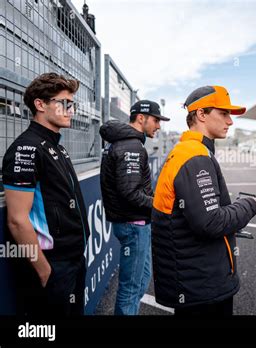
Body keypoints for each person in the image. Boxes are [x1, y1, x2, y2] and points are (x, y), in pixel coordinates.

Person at [151, 86, 256, 316]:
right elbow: (210, 222)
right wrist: (249, 205)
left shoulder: (190, 151)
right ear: (201, 114)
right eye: (224, 113)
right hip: (201, 286)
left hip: (195, 281)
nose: (230, 121)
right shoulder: (194, 156)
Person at [2, 72, 90, 316]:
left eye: (72, 104)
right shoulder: (25, 148)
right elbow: (17, 220)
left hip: (73, 261)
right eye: (64, 103)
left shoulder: (56, 146)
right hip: (53, 266)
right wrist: (44, 271)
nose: (70, 110)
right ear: (40, 104)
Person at [100, 100, 169, 315]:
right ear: (141, 118)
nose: (158, 126)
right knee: (131, 288)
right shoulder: (130, 146)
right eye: (156, 120)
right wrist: (162, 205)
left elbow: (132, 189)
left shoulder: (129, 143)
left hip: (135, 224)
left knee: (141, 281)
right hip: (133, 225)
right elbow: (130, 193)